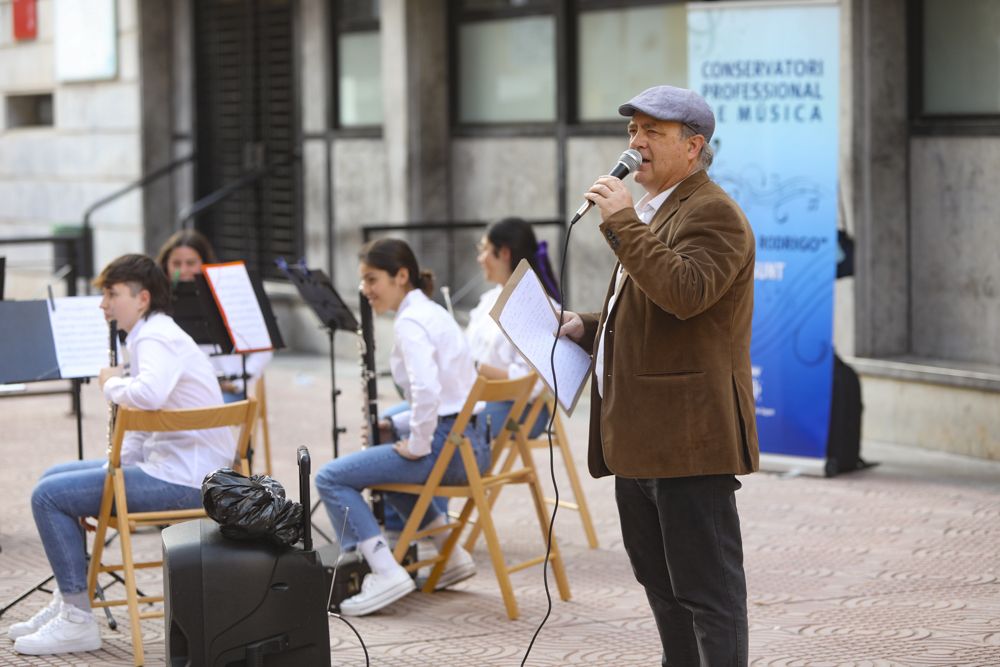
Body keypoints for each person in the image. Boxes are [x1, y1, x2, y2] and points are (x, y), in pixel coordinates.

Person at [558, 85, 759, 666]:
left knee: (709, 595)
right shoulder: (652, 211)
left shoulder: (713, 212)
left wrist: (621, 222)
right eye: (632, 131)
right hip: (641, 443)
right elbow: (646, 314)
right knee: (664, 590)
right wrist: (585, 324)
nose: (636, 143)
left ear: (693, 147)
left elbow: (686, 294)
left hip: (689, 442)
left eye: (653, 132)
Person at [8, 254, 235, 657]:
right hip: (178, 468)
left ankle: (78, 620)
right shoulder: (150, 334)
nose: (103, 304)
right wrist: (107, 478)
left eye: (112, 294)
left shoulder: (153, 336)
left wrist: (111, 383)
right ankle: (71, 600)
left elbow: (148, 395)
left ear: (142, 298)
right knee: (55, 479)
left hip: (185, 479)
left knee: (48, 497)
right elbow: (143, 424)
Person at [314, 238, 487, 616]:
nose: (366, 289)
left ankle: (384, 570)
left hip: (445, 446)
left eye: (372, 279)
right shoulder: (434, 311)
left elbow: (427, 389)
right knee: (385, 462)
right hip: (470, 443)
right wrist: (398, 424)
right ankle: (450, 553)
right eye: (363, 280)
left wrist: (418, 442)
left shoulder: (410, 321)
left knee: (330, 478)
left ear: (401, 276)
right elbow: (449, 394)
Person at [468, 217, 560, 439]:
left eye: (485, 250)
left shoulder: (538, 307)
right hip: (479, 398)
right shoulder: (489, 299)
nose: (480, 258)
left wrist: (476, 368)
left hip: (522, 410)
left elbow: (536, 383)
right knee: (399, 419)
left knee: (444, 428)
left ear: (505, 253)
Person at [155, 229, 273, 401]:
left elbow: (263, 349)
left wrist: (240, 380)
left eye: (190, 263)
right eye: (177, 264)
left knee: (198, 416)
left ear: (204, 263)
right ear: (166, 265)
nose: (184, 270)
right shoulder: (156, 300)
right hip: (171, 388)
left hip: (223, 389)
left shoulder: (227, 294)